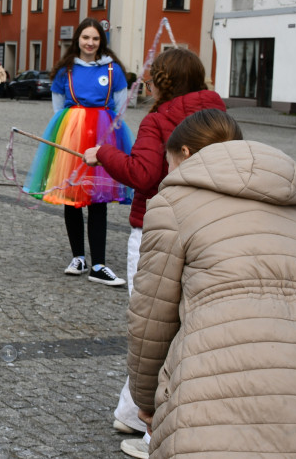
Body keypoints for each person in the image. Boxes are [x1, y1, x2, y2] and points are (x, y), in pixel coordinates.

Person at [127, 109, 296, 458]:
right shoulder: (290, 202)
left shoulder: (173, 202)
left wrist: (146, 397)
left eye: (169, 165)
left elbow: (151, 316)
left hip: (214, 363)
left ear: (184, 155)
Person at [82, 48, 225, 458]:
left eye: (151, 77)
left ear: (164, 81)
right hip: (206, 225)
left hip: (156, 229)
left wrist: (102, 155)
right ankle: (130, 412)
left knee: (154, 329)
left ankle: (153, 435)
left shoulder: (159, 119)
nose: (145, 83)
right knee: (170, 323)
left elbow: (143, 175)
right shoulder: (217, 115)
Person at [23, 17, 132, 287]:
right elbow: (58, 107)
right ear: (78, 40)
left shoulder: (113, 70)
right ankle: (78, 257)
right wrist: (73, 128)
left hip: (103, 136)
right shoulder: (66, 71)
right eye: (86, 38)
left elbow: (120, 107)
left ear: (101, 41)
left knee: (98, 197)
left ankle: (99, 264)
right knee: (71, 195)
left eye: (95, 39)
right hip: (71, 134)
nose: (90, 43)